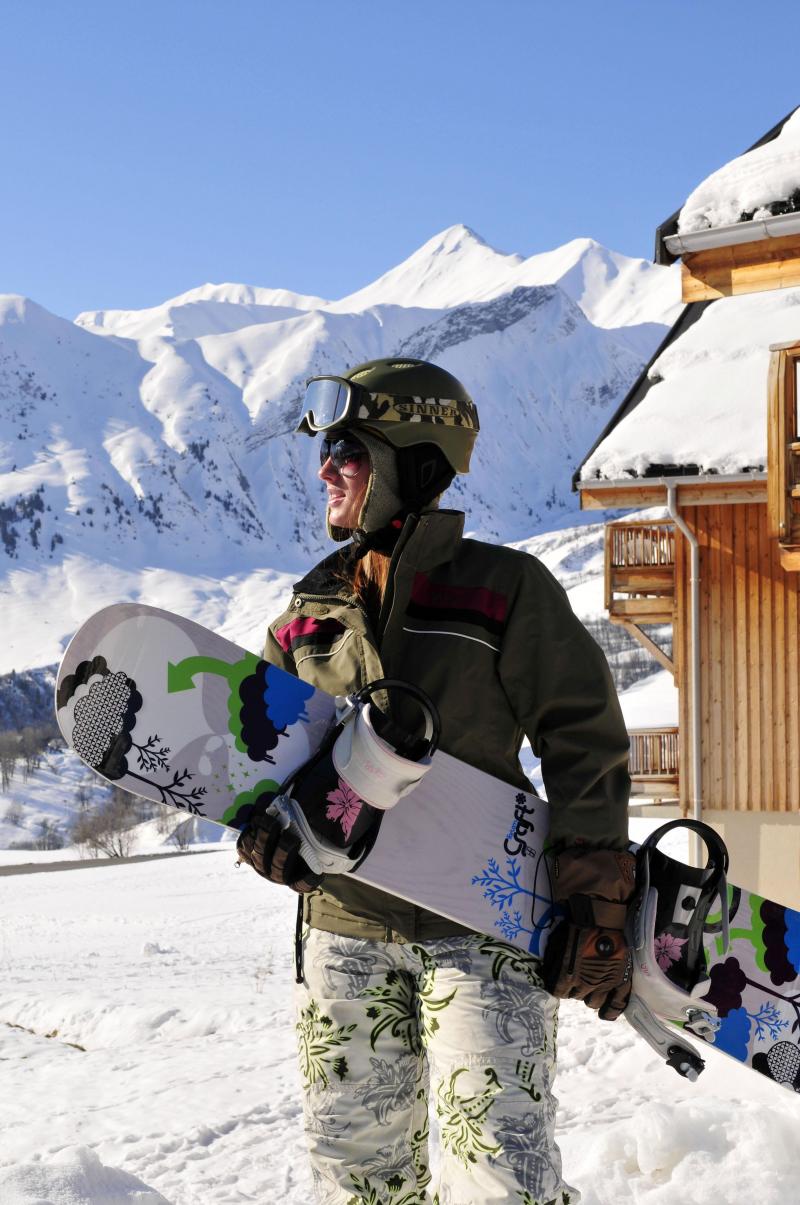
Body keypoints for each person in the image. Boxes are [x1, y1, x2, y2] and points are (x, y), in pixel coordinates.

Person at [237, 358, 633, 1205]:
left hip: (486, 918)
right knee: (358, 1175)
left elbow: (582, 736)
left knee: (500, 1167)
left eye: (347, 448)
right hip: (345, 925)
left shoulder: (505, 591)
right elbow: (262, 766)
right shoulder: (307, 611)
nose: (325, 469)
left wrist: (595, 896)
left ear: (412, 459)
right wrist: (266, 837)